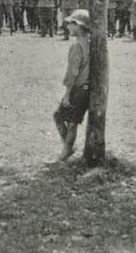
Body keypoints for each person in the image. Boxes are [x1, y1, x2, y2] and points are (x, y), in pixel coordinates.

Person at [52, 9, 91, 162]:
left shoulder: (77, 46)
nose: (68, 27)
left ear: (79, 26)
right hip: (87, 88)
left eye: (71, 24)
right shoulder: (91, 44)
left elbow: (72, 72)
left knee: (61, 118)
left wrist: (67, 94)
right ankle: (68, 148)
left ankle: (66, 151)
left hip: (78, 88)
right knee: (72, 120)